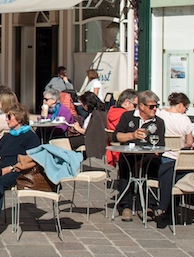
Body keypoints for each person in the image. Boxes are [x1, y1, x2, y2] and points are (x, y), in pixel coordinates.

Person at [0, 104, 41, 241]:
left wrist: (11, 169)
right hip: (0, 167)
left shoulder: (30, 137)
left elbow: (33, 160)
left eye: (9, 117)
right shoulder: (7, 136)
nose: (6, 120)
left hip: (18, 171)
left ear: (18, 118)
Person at [111, 90, 166, 222]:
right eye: (151, 106)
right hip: (130, 154)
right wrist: (132, 135)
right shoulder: (128, 117)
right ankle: (126, 206)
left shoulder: (158, 122)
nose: (155, 109)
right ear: (141, 106)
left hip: (149, 157)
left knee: (153, 166)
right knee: (126, 166)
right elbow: (116, 136)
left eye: (156, 106)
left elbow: (161, 146)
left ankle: (150, 205)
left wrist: (149, 155)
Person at [70, 92, 107, 158]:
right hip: (87, 137)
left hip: (89, 139)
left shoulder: (96, 115)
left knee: (68, 142)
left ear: (87, 104)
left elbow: (91, 132)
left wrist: (78, 128)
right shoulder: (99, 113)